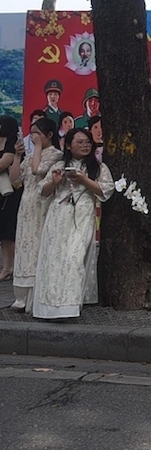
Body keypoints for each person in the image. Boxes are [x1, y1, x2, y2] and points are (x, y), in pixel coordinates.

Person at [32, 127, 113, 319]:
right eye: (80, 142)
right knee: (54, 259)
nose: (85, 146)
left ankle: (70, 306)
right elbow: (42, 191)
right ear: (68, 145)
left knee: (74, 258)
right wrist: (54, 181)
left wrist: (85, 180)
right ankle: (49, 306)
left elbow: (106, 191)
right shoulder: (59, 165)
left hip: (82, 216)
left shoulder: (98, 167)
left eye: (87, 142)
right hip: (58, 216)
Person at [11, 117, 62, 310]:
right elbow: (16, 179)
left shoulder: (55, 154)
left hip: (42, 204)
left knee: (36, 245)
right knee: (24, 244)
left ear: (49, 135)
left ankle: (34, 294)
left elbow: (37, 170)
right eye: (31, 133)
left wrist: (38, 148)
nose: (33, 137)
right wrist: (18, 156)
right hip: (26, 205)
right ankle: (21, 295)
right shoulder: (32, 154)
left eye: (37, 133)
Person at [0, 116, 24, 282]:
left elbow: (3, 164)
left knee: (9, 231)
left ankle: (10, 267)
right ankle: (7, 266)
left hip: (11, 192)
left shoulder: (13, 141)